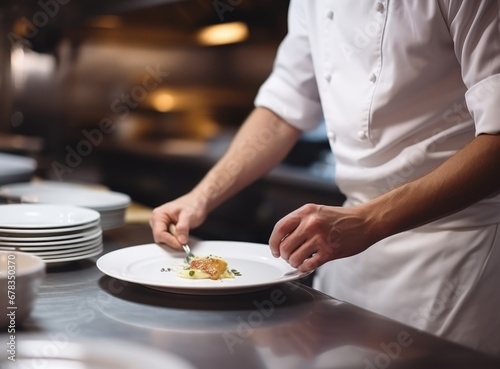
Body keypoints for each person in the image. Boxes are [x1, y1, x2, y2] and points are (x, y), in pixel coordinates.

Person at [151, 0, 500, 356]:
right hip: (350, 256)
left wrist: (369, 220)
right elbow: (285, 106)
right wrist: (201, 197)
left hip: (455, 250)